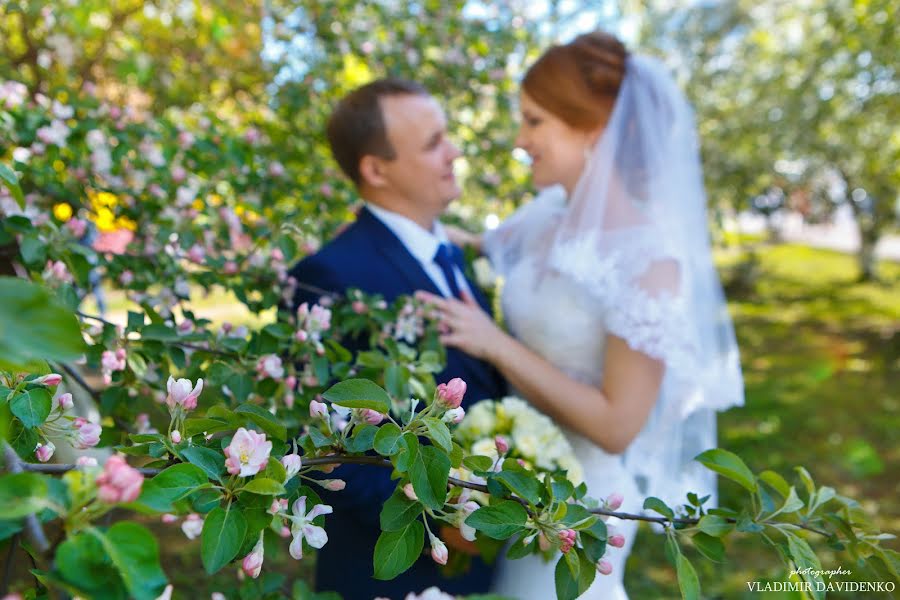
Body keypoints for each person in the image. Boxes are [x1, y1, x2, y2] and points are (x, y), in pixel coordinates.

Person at [416, 31, 744, 599]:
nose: (521, 140)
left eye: (534, 122)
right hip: (518, 483)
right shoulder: (544, 215)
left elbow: (619, 425)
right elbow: (474, 242)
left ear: (593, 127)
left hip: (584, 504)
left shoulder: (650, 260)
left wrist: (495, 344)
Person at [287, 78, 506, 599]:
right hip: (398, 571)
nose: (454, 152)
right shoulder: (329, 275)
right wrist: (449, 519)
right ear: (376, 169)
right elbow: (333, 445)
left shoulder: (452, 254)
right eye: (433, 143)